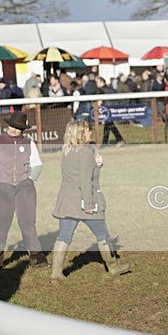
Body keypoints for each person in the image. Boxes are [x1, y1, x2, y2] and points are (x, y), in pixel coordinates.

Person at [50, 120, 129, 280]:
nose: (90, 133)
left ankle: (56, 273)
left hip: (67, 201)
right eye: (87, 130)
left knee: (64, 236)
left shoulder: (67, 150)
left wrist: (97, 165)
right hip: (83, 200)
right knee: (103, 234)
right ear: (80, 133)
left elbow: (76, 174)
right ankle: (113, 267)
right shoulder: (86, 152)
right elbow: (85, 181)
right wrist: (89, 204)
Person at [0, 111, 47, 269]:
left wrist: (29, 179)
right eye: (12, 126)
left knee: (28, 224)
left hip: (25, 188)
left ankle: (36, 257)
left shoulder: (29, 143)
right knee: (1, 225)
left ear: (23, 129)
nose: (13, 129)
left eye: (17, 127)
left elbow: (37, 165)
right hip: (1, 187)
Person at [95, 76, 126, 146]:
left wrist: (96, 107)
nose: (96, 84)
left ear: (101, 81)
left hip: (107, 110)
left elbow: (100, 101)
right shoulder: (110, 88)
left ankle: (108, 142)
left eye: (97, 82)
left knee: (109, 125)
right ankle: (118, 139)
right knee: (109, 126)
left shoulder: (101, 90)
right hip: (113, 109)